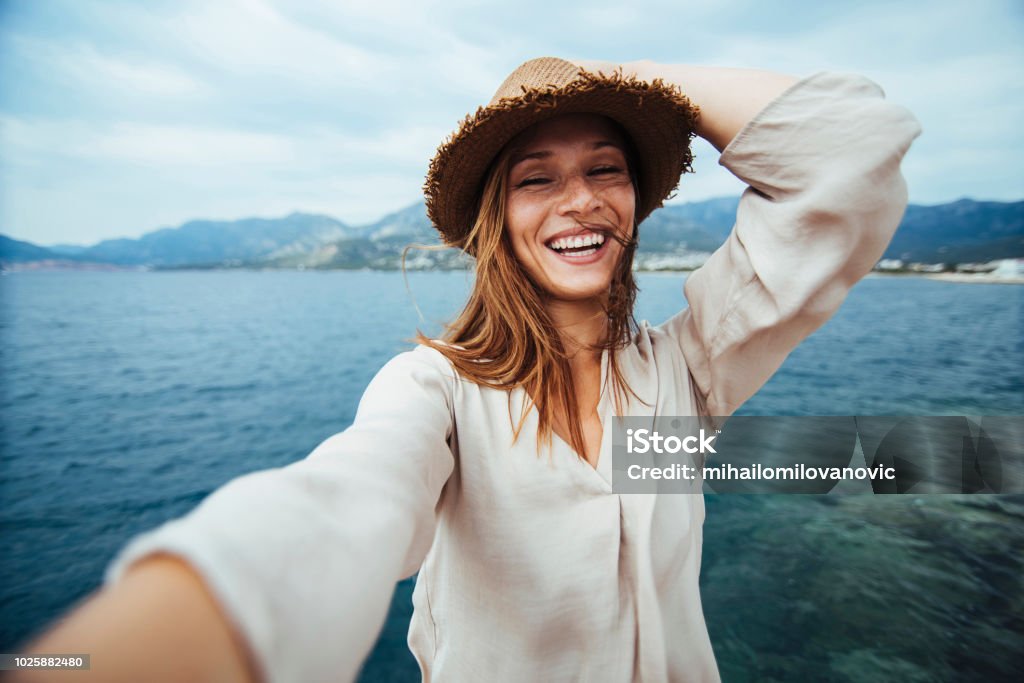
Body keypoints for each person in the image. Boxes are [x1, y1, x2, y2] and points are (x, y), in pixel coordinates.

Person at [9, 57, 920, 682]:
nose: (581, 200)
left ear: (636, 204)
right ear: (497, 220)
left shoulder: (685, 370)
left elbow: (853, 151)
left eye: (608, 168)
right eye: (537, 177)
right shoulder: (435, 391)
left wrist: (622, 78)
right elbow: (342, 507)